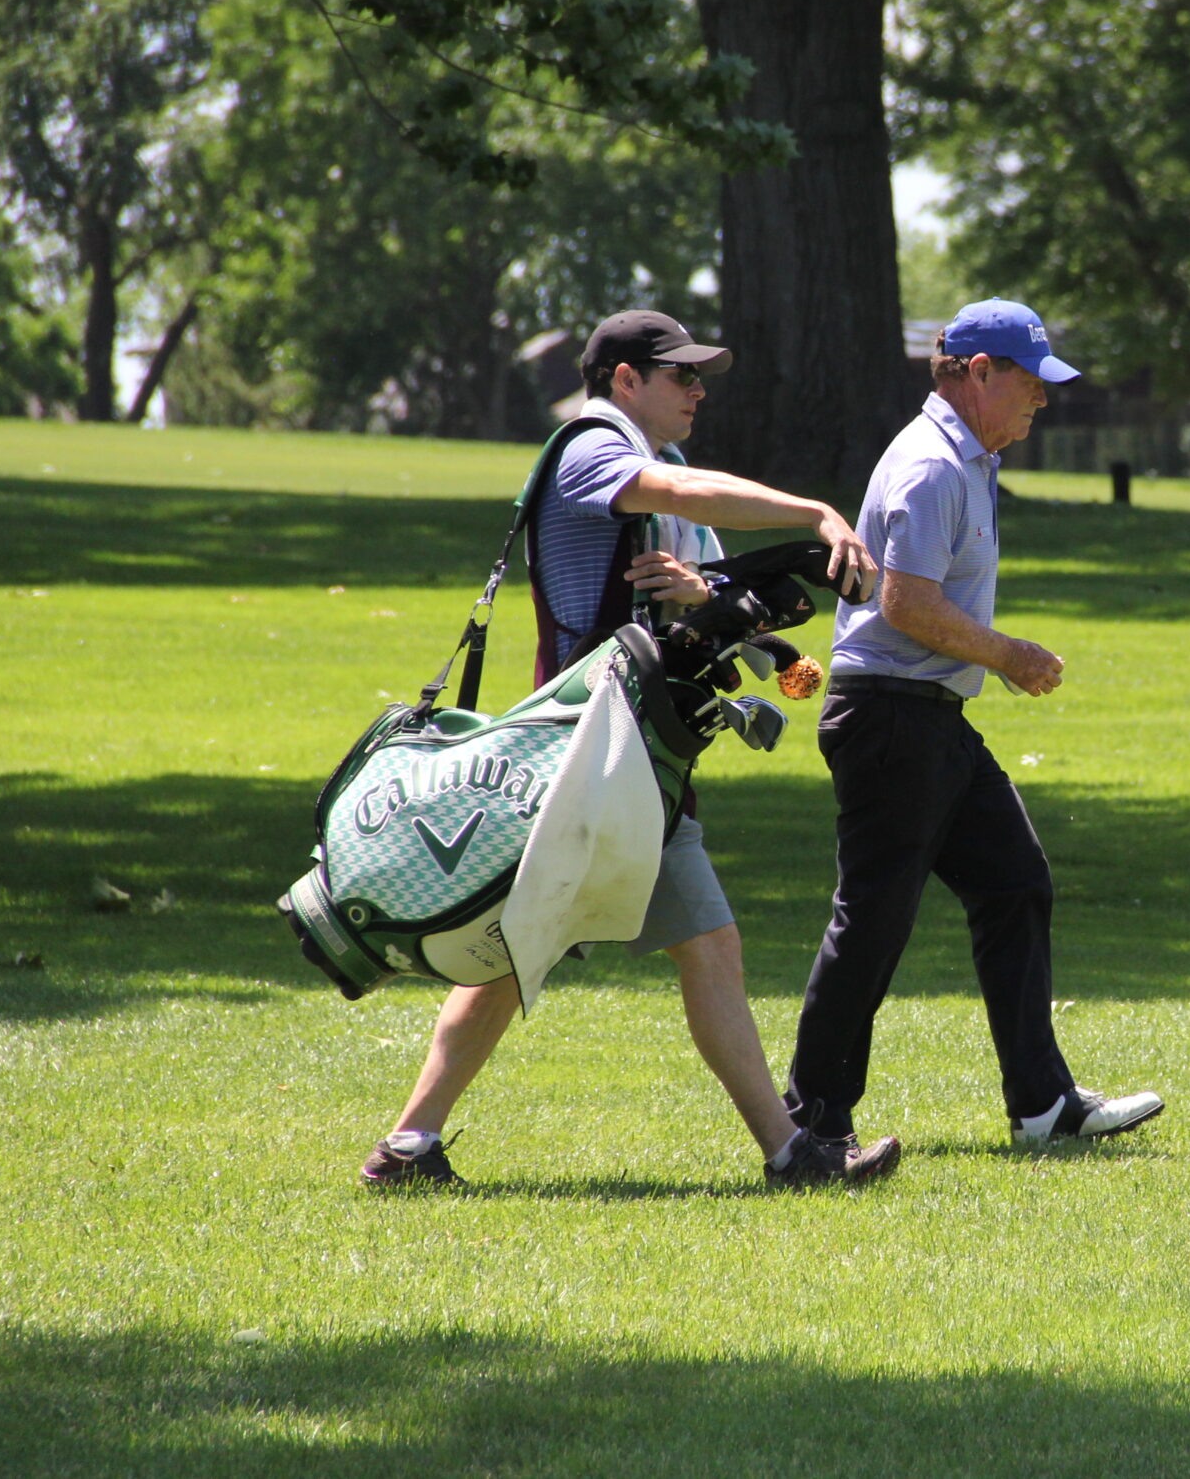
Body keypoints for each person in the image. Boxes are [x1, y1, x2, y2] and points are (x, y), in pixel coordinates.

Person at [359, 309, 901, 1192]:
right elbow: (678, 501)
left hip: (636, 754)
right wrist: (812, 510)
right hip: (585, 758)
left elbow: (696, 590)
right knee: (536, 945)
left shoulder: (661, 469)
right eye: (679, 375)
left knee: (605, 943)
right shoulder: (590, 448)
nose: (696, 390)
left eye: (699, 377)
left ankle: (412, 1147)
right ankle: (789, 1154)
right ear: (622, 380)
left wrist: (707, 593)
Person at [782, 298, 1164, 1148]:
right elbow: (906, 602)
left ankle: (1043, 1105)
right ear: (980, 373)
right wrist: (1007, 653)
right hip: (889, 716)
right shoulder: (932, 466)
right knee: (875, 918)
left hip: (930, 716)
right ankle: (810, 1121)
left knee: (1014, 880)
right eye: (1030, 383)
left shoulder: (972, 459)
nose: (1042, 400)